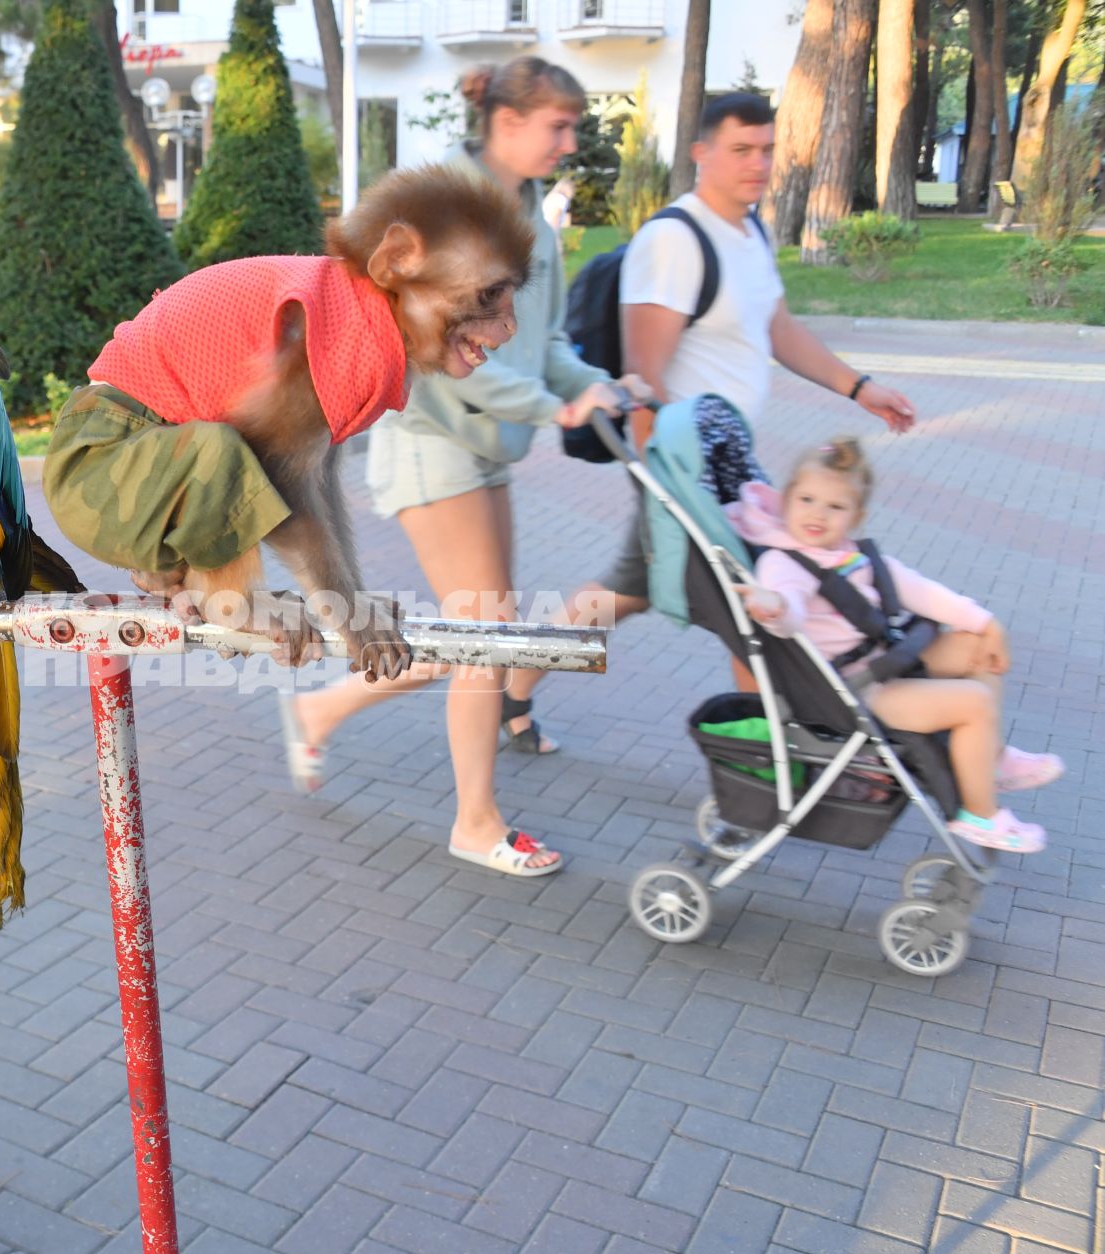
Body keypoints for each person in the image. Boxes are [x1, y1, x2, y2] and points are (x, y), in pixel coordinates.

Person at [280, 57, 649, 879]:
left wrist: (594, 386)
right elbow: (443, 347)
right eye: (556, 125)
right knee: (483, 633)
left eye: (571, 126)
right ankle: (474, 821)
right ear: (507, 123)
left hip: (482, 449)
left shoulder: (528, 221)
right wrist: (549, 409)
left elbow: (541, 340)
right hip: (432, 438)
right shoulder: (452, 207)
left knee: (479, 628)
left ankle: (323, 708)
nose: (568, 140)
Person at [505, 91, 920, 715]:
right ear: (702, 153)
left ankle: (511, 692)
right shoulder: (675, 239)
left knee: (631, 589)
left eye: (768, 150)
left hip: (726, 467)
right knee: (744, 604)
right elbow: (643, 376)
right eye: (741, 150)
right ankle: (776, 756)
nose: (758, 163)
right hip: (685, 470)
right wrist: (669, 487)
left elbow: (778, 327)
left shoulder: (750, 227)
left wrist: (861, 389)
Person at [730, 437, 1062, 853]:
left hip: (883, 663)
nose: (817, 514)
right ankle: (980, 814)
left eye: (835, 507)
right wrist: (773, 607)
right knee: (974, 702)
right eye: (807, 500)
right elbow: (790, 609)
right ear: (786, 501)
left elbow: (921, 591)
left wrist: (988, 622)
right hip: (857, 691)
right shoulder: (783, 564)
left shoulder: (852, 556)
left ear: (857, 516)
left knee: (977, 646)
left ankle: (989, 760)